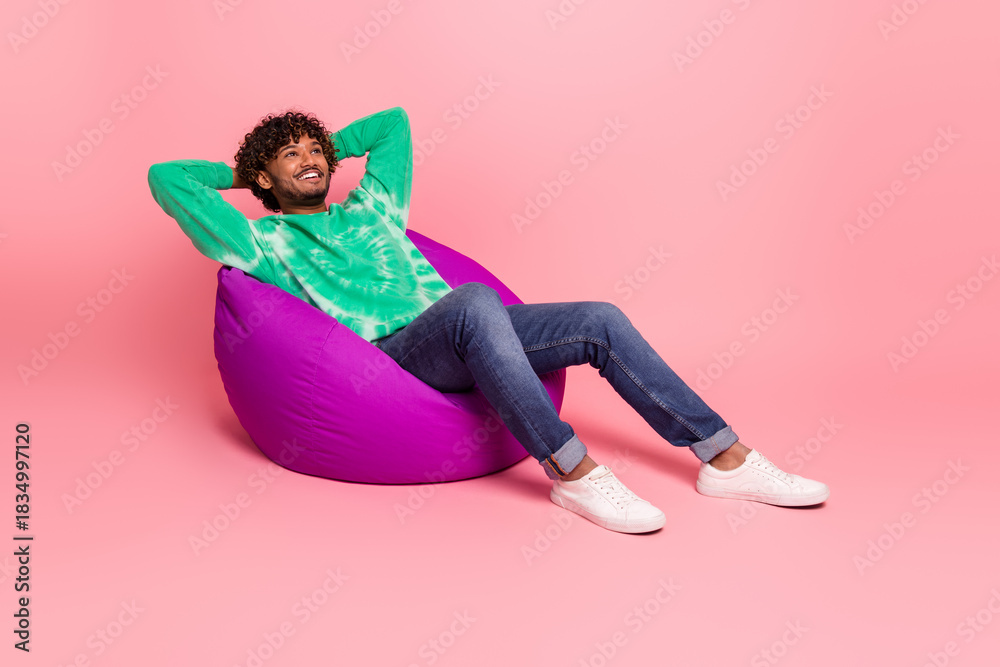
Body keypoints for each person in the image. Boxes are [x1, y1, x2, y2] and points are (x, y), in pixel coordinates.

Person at [147, 106, 829, 534]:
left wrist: (323, 137)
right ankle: (574, 474)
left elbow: (392, 124)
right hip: (395, 356)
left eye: (314, 148)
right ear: (263, 181)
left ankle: (725, 456)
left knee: (599, 316)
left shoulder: (373, 209)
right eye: (289, 154)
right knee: (474, 301)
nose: (310, 158)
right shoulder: (261, 243)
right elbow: (166, 177)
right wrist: (244, 172)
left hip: (466, 330)